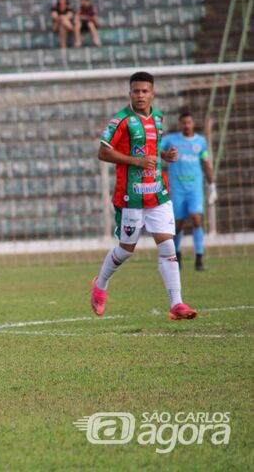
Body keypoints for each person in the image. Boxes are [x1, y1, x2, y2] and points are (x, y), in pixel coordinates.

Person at [90, 72, 197, 321]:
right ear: (130, 93)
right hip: (131, 196)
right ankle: (100, 284)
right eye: (136, 91)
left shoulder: (158, 118)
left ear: (152, 93)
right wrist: (135, 161)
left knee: (168, 245)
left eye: (144, 91)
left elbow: (149, 148)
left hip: (157, 192)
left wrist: (163, 155)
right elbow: (103, 153)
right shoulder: (121, 120)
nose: (140, 95)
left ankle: (176, 303)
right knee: (126, 250)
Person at [160, 111, 216, 270]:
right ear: (180, 124)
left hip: (195, 189)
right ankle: (177, 255)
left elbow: (205, 162)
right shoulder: (170, 140)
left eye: (189, 122)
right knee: (178, 224)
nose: (186, 125)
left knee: (197, 218)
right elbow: (154, 147)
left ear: (193, 123)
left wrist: (212, 185)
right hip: (177, 189)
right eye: (183, 123)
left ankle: (199, 257)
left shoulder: (201, 142)